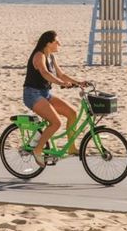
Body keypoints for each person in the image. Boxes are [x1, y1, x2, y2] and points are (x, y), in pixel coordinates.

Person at [23, 30, 88, 166]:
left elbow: (61, 74)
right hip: (32, 94)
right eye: (57, 41)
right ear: (48, 44)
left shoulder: (51, 57)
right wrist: (59, 83)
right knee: (56, 122)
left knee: (72, 113)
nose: (59, 43)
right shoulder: (38, 56)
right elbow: (45, 73)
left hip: (45, 93)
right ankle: (38, 150)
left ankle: (71, 148)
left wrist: (78, 82)